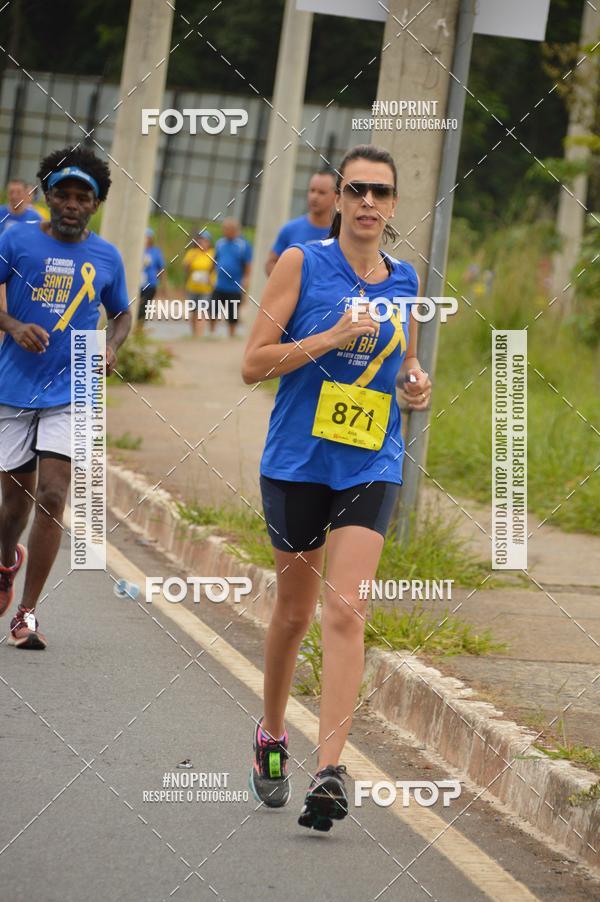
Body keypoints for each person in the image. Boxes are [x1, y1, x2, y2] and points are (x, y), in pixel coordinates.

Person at [242, 144, 432, 830]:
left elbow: (401, 362)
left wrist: (414, 383)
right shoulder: (303, 263)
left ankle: (329, 770)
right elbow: (253, 365)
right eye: (357, 190)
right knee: (294, 616)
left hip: (369, 462)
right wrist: (327, 337)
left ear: (394, 204)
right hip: (297, 461)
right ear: (341, 199)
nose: (368, 203)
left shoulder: (406, 279)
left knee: (346, 610)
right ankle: (270, 733)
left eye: (380, 192)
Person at [0, 146, 132, 649]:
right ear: (48, 196)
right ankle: (6, 559)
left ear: (95, 205)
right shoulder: (16, 240)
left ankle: (28, 614)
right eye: (63, 194)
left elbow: (121, 314)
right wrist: (12, 325)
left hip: (74, 384)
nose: (72, 204)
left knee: (53, 494)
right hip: (13, 386)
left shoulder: (107, 256)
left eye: (83, 197)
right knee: (14, 501)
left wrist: (112, 348)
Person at [265, 170, 336, 276]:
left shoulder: (342, 233)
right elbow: (271, 263)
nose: (314, 197)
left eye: (321, 192)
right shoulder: (290, 229)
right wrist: (286, 283)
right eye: (312, 190)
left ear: (335, 196)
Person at [213, 218, 252, 338]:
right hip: (219, 284)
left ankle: (232, 334)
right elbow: (215, 259)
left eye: (227, 229)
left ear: (235, 230)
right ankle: (212, 333)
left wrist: (246, 279)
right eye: (224, 228)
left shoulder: (243, 245)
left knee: (232, 312)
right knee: (213, 310)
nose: (224, 231)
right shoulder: (220, 243)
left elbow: (247, 264)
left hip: (234, 286)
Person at [182, 229, 215, 337]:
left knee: (202, 311)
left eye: (205, 241)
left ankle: (199, 335)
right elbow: (185, 268)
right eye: (200, 241)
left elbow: (216, 268)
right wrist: (190, 261)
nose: (202, 243)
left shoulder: (212, 253)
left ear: (209, 242)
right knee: (193, 312)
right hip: (192, 287)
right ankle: (194, 333)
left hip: (206, 288)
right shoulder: (192, 253)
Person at [137, 227, 165, 330]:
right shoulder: (136, 250)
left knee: (144, 306)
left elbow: (161, 268)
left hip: (150, 284)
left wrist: (163, 285)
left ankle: (139, 328)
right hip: (136, 284)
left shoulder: (156, 252)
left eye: (148, 237)